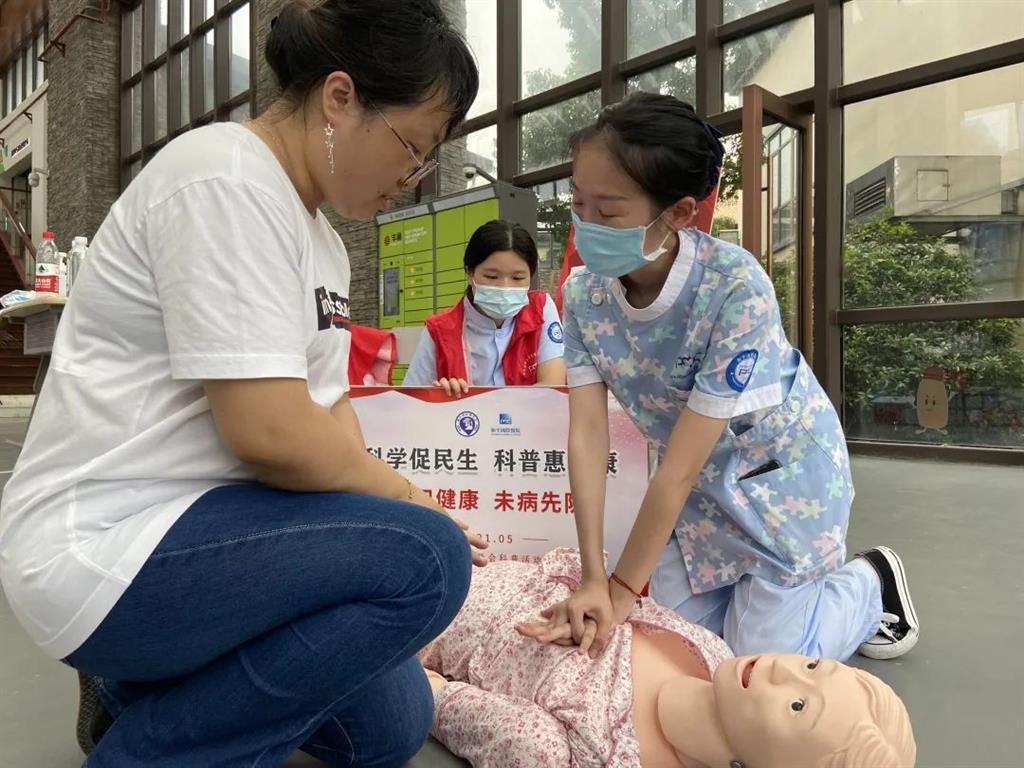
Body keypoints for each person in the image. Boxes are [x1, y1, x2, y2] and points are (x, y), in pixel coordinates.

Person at [0, 2, 489, 766]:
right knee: (427, 559)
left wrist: (378, 507)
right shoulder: (224, 180)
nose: (411, 178)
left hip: (214, 528)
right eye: (412, 148)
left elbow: (328, 409)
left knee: (390, 727)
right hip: (114, 534)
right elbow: (270, 432)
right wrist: (405, 501)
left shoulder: (324, 244)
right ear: (339, 98)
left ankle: (141, 690)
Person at [533, 93, 919, 664]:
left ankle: (868, 584)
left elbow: (680, 468)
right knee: (685, 655)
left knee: (758, 667)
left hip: (780, 481)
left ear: (680, 213)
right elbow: (587, 436)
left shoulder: (734, 287)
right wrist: (594, 576)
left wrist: (620, 592)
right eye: (578, 202)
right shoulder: (583, 296)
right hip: (698, 495)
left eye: (608, 212)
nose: (586, 225)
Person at [422, 550, 917, 767]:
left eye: (797, 706)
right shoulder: (708, 650)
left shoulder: (596, 753)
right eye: (811, 667)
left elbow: (438, 696)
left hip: (422, 616)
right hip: (479, 563)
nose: (782, 668)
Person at [403, 219, 566, 396]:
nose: (504, 287)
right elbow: (411, 399)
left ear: (531, 276)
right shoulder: (439, 331)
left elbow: (553, 386)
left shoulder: (541, 309)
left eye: (518, 278)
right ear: (470, 273)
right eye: (491, 276)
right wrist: (442, 397)